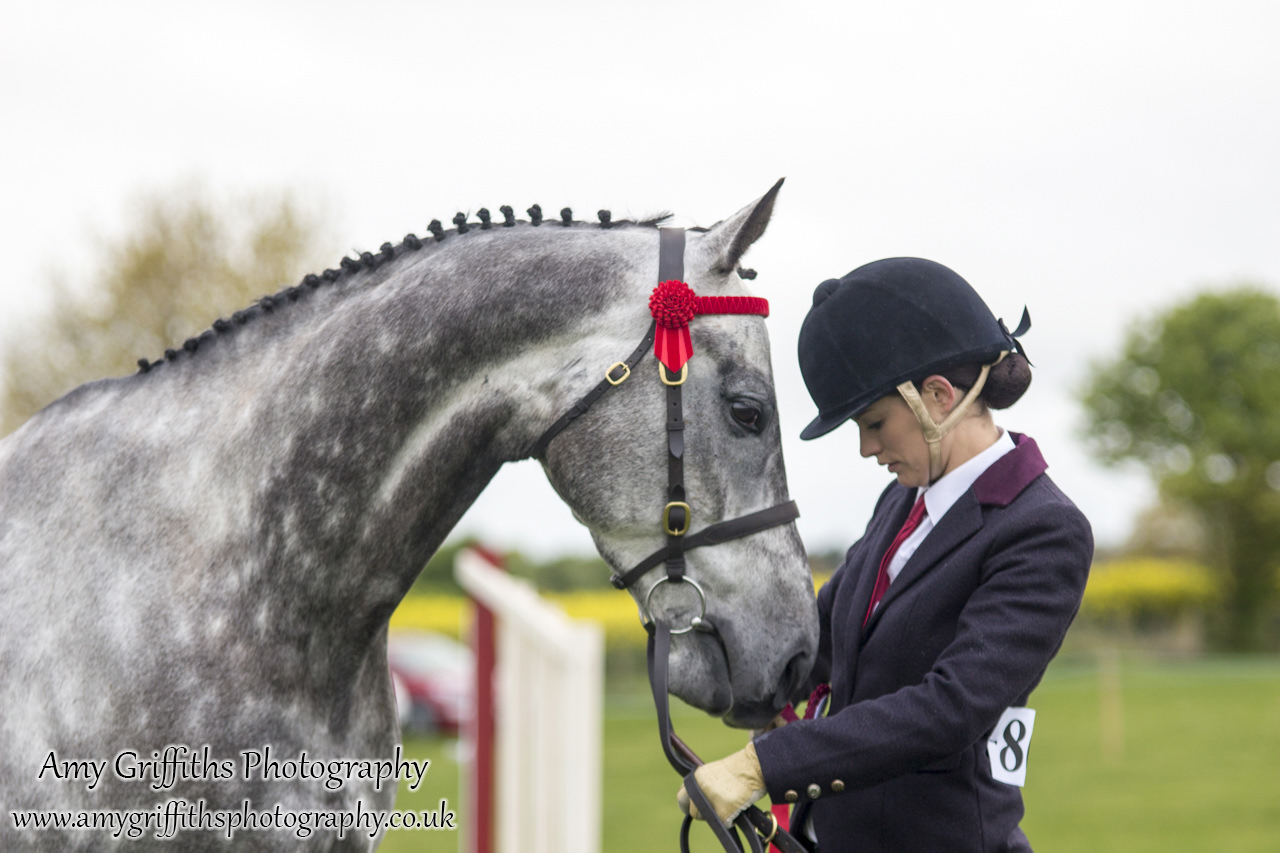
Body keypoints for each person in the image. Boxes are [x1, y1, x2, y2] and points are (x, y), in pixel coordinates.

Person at [677, 257, 1093, 852]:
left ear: (938, 396)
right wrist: (707, 646)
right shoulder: (901, 502)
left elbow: (950, 708)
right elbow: (823, 637)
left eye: (874, 423)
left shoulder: (1044, 530)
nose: (868, 448)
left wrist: (763, 765)